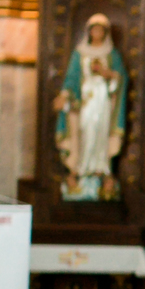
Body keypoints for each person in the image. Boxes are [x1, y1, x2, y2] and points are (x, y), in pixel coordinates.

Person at [54, 13, 127, 202]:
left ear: (105, 32)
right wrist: (64, 95)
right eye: (94, 29)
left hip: (103, 100)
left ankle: (101, 168)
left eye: (101, 30)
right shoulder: (80, 53)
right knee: (85, 131)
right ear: (89, 32)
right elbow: (71, 79)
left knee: (101, 132)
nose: (97, 33)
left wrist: (108, 74)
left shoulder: (111, 53)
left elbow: (120, 78)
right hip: (85, 100)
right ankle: (82, 168)